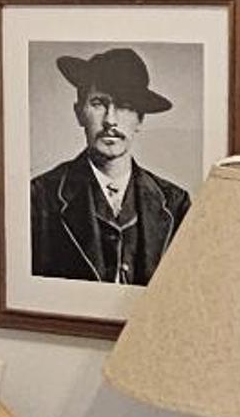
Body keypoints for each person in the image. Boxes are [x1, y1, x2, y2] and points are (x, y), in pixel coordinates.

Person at [29, 46, 191, 284]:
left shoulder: (175, 204)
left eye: (124, 106)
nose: (110, 120)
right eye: (98, 103)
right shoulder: (40, 197)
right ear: (79, 113)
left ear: (140, 119)